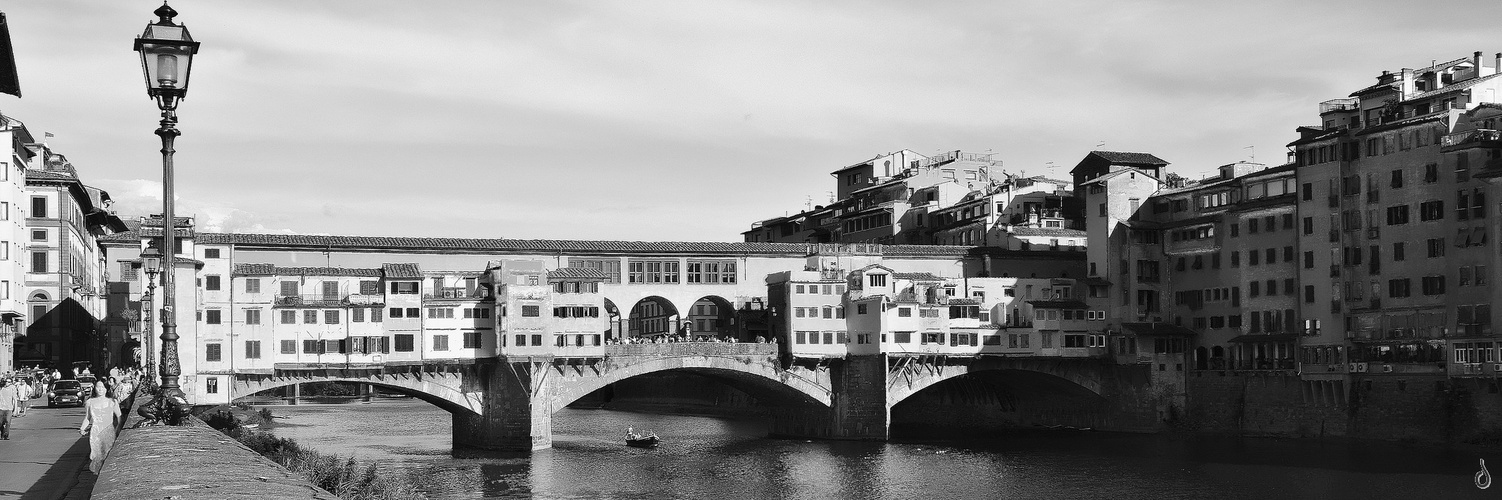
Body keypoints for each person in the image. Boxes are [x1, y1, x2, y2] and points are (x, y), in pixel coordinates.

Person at [79, 381, 121, 473]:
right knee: (97, 454)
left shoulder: (112, 402)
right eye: (98, 387)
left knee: (108, 452)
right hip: (96, 431)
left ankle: (106, 472)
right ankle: (97, 473)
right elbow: (87, 418)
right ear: (95, 388)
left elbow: (119, 417)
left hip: (109, 431)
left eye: (103, 387)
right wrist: (82, 428)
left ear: (106, 389)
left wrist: (118, 430)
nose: (100, 389)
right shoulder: (90, 402)